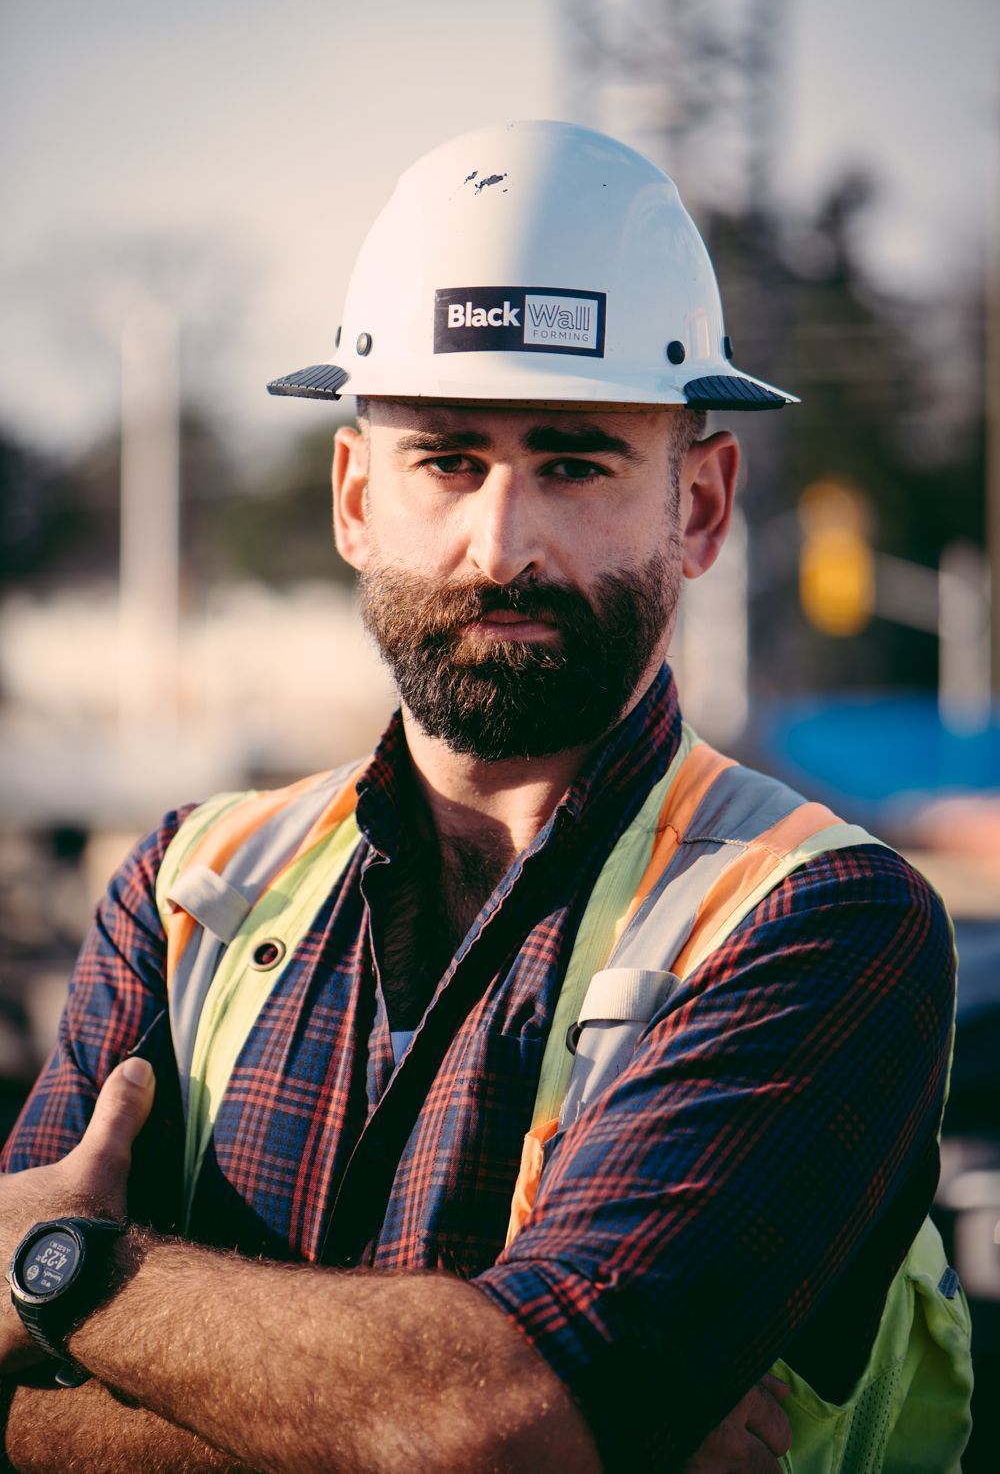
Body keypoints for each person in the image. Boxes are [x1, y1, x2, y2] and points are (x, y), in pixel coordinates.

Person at [0, 121, 972, 1473]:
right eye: (447, 460)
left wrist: (66, 1276)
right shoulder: (187, 888)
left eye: (573, 464)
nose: (501, 542)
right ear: (355, 497)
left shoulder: (822, 922)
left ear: (700, 506)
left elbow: (497, 1432)